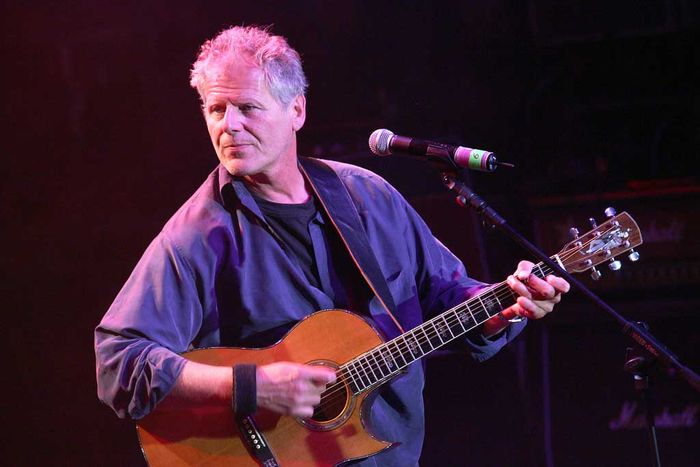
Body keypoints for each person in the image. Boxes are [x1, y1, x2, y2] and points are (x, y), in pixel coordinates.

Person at [95, 25, 570, 466]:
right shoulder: (196, 235)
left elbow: (447, 296)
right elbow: (119, 362)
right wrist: (251, 386)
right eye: (216, 110)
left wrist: (499, 310)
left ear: (296, 110)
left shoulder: (368, 198)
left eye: (247, 108)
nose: (229, 126)